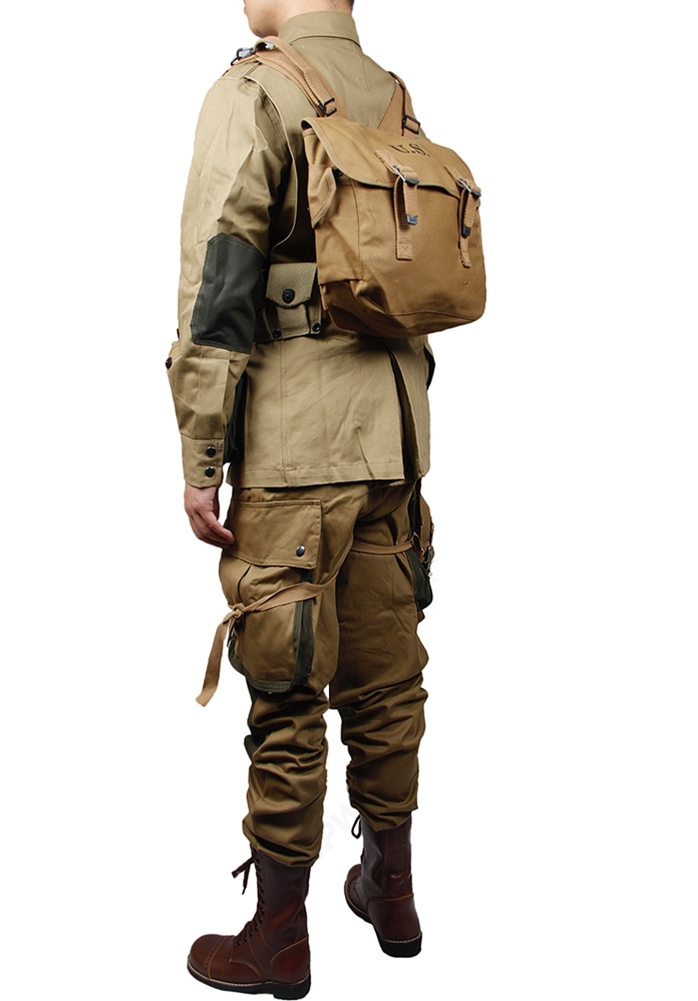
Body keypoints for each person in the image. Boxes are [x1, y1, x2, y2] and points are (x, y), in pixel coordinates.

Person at [166, 1, 435, 996]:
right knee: (386, 677)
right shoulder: (391, 96)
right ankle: (392, 892)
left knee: (285, 688)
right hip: (395, 439)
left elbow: (219, 278)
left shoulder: (254, 90)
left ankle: (277, 934)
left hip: (294, 448)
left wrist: (202, 449)